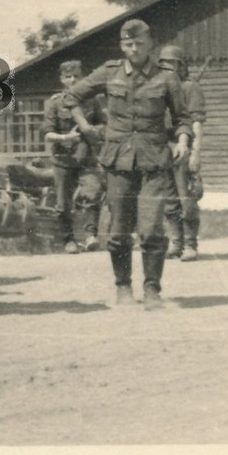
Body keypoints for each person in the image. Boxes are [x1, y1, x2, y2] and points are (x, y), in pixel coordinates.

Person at [63, 19, 190, 308]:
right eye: (128, 44)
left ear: (150, 45)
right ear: (122, 45)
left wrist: (182, 141)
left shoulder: (167, 78)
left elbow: (183, 118)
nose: (133, 49)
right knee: (119, 230)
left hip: (154, 161)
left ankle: (152, 290)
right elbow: (72, 97)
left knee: (151, 229)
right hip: (118, 162)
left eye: (139, 44)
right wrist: (85, 126)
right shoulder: (109, 73)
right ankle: (122, 287)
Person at [39, 60, 104, 254]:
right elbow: (47, 133)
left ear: (82, 78)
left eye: (76, 76)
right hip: (63, 158)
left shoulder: (92, 101)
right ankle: (69, 240)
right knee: (63, 203)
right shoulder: (55, 103)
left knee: (93, 191)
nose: (73, 80)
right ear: (62, 79)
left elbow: (103, 123)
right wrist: (65, 137)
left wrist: (94, 130)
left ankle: (91, 235)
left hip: (87, 157)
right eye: (68, 77)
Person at [158, 45, 206, 261]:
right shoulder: (159, 87)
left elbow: (196, 122)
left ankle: (190, 245)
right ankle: (175, 243)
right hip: (163, 148)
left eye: (168, 64)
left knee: (186, 198)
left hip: (183, 146)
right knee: (169, 199)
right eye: (162, 65)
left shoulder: (189, 87)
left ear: (179, 65)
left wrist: (195, 151)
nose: (164, 68)